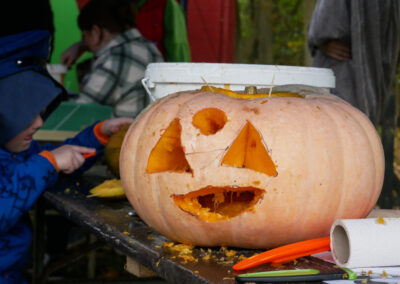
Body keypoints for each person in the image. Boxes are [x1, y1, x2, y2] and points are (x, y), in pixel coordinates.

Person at [0, 30, 133, 282]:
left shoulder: (13, 151)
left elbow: (55, 160)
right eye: (25, 113)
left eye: (40, 111)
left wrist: (98, 135)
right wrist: (48, 163)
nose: (39, 122)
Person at [308, 0, 400, 208]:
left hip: (373, 68)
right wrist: (322, 38)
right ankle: (329, 203)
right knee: (336, 135)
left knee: (358, 138)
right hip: (343, 70)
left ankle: (353, 200)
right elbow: (326, 17)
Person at [61, 0, 164, 118]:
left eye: (84, 36)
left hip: (124, 134)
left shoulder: (115, 60)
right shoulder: (149, 47)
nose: (85, 41)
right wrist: (81, 46)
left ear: (95, 32)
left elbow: (79, 111)